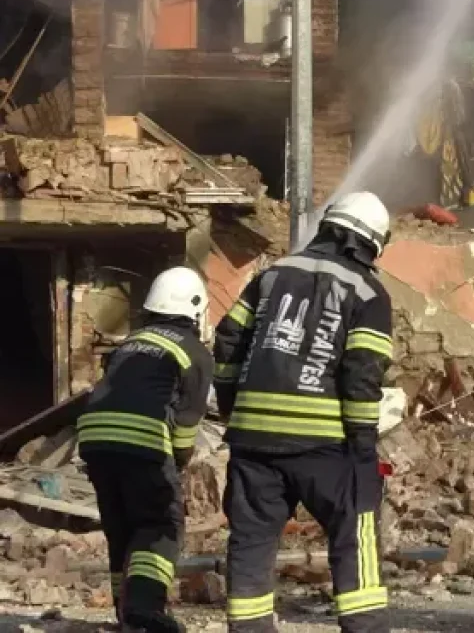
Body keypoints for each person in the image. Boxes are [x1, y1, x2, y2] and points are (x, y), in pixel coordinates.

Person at [213, 191, 394, 633]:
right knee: (354, 528)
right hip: (324, 443)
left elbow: (229, 340)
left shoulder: (271, 275)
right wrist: (363, 449)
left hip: (254, 440)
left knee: (252, 539)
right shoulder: (367, 291)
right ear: (371, 244)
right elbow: (361, 374)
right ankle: (365, 627)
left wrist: (234, 407)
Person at [77, 266, 214, 633]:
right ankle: (144, 609)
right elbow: (187, 419)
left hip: (94, 438)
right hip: (142, 439)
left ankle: (125, 612)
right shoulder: (194, 352)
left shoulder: (132, 342)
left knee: (121, 526)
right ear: (195, 309)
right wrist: (178, 461)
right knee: (159, 525)